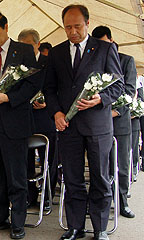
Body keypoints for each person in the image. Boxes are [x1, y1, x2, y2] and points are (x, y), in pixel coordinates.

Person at [43, 5, 124, 240]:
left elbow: (118, 85)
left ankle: (100, 229)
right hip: (68, 127)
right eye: (68, 27)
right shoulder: (57, 53)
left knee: (99, 177)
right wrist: (56, 113)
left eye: (77, 26)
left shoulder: (105, 49)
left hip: (98, 125)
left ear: (87, 23)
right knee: (72, 177)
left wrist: (101, 99)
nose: (73, 31)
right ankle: (75, 226)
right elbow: (49, 89)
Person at [0, 11, 41, 239]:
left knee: (16, 174)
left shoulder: (23, 51)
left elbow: (33, 84)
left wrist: (8, 98)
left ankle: (18, 223)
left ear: (6, 27)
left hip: (14, 121)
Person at [92, 25, 136, 219]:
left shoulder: (126, 61)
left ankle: (123, 202)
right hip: (97, 122)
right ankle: (101, 202)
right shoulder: (94, 61)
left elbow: (129, 91)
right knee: (100, 166)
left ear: (111, 40)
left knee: (121, 166)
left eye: (103, 43)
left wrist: (114, 111)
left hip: (119, 122)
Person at [18, 28, 57, 210]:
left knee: (47, 160)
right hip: (24, 119)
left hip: (46, 119)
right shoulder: (17, 65)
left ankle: (47, 195)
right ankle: (30, 195)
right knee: (25, 161)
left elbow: (57, 89)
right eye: (22, 46)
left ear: (38, 44)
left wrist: (47, 104)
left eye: (29, 46)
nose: (25, 50)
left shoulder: (50, 63)